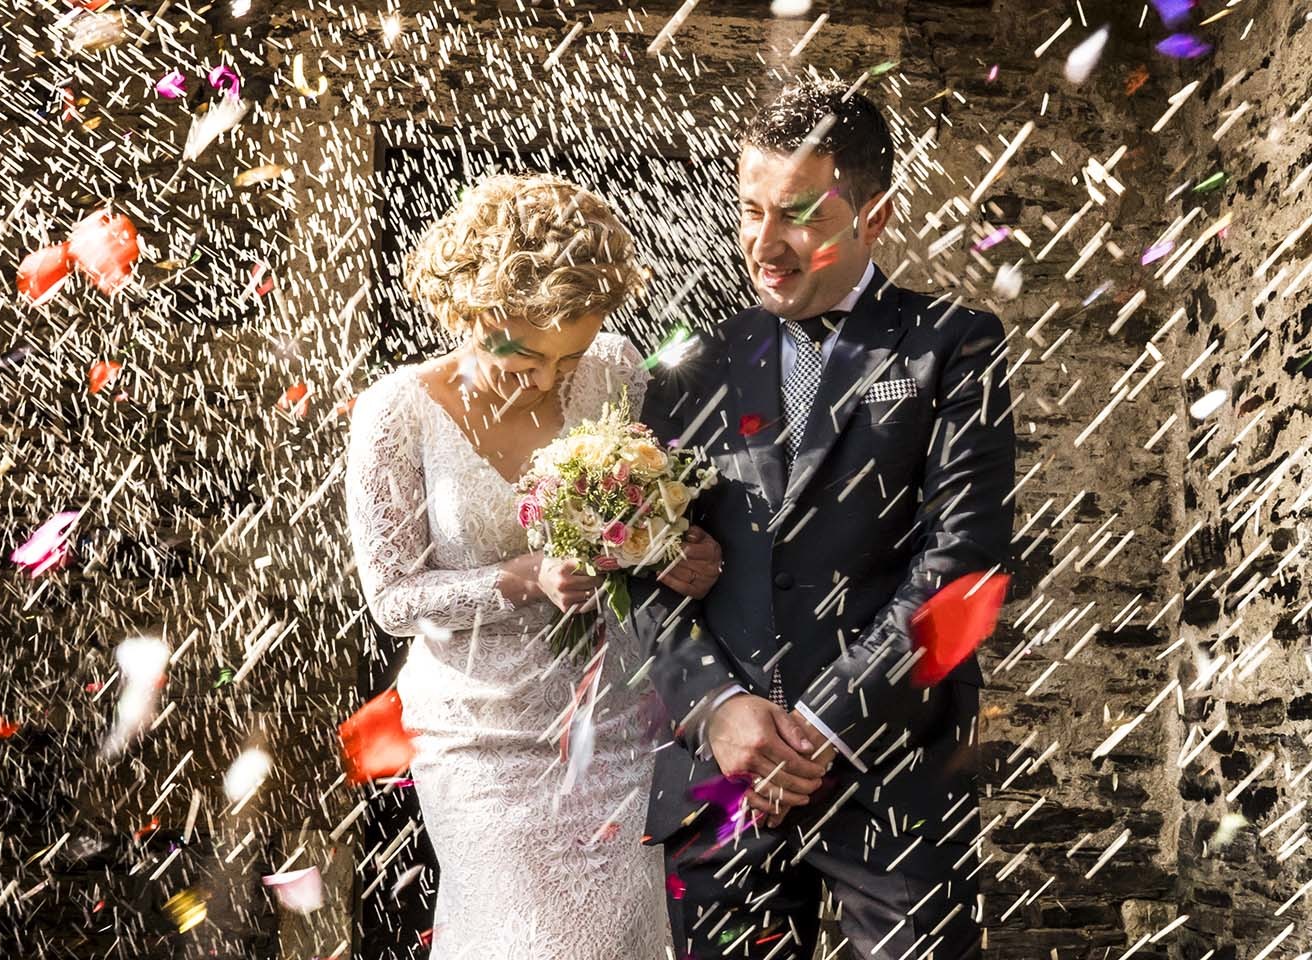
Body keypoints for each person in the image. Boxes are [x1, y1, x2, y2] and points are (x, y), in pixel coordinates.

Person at [634, 80, 1017, 959]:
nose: (764, 246)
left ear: (874, 216)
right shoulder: (691, 365)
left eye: (799, 216)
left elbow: (963, 560)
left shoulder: (953, 344)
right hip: (723, 786)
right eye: (750, 211)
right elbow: (641, 572)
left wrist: (823, 724)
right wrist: (720, 708)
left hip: (894, 774)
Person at [343, 173, 721, 959]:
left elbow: (642, 514)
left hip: (614, 728)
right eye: (521, 356)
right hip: (481, 742)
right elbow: (391, 598)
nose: (548, 380)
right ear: (464, 313)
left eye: (568, 355)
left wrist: (666, 552)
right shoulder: (397, 412)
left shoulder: (615, 368)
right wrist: (522, 578)